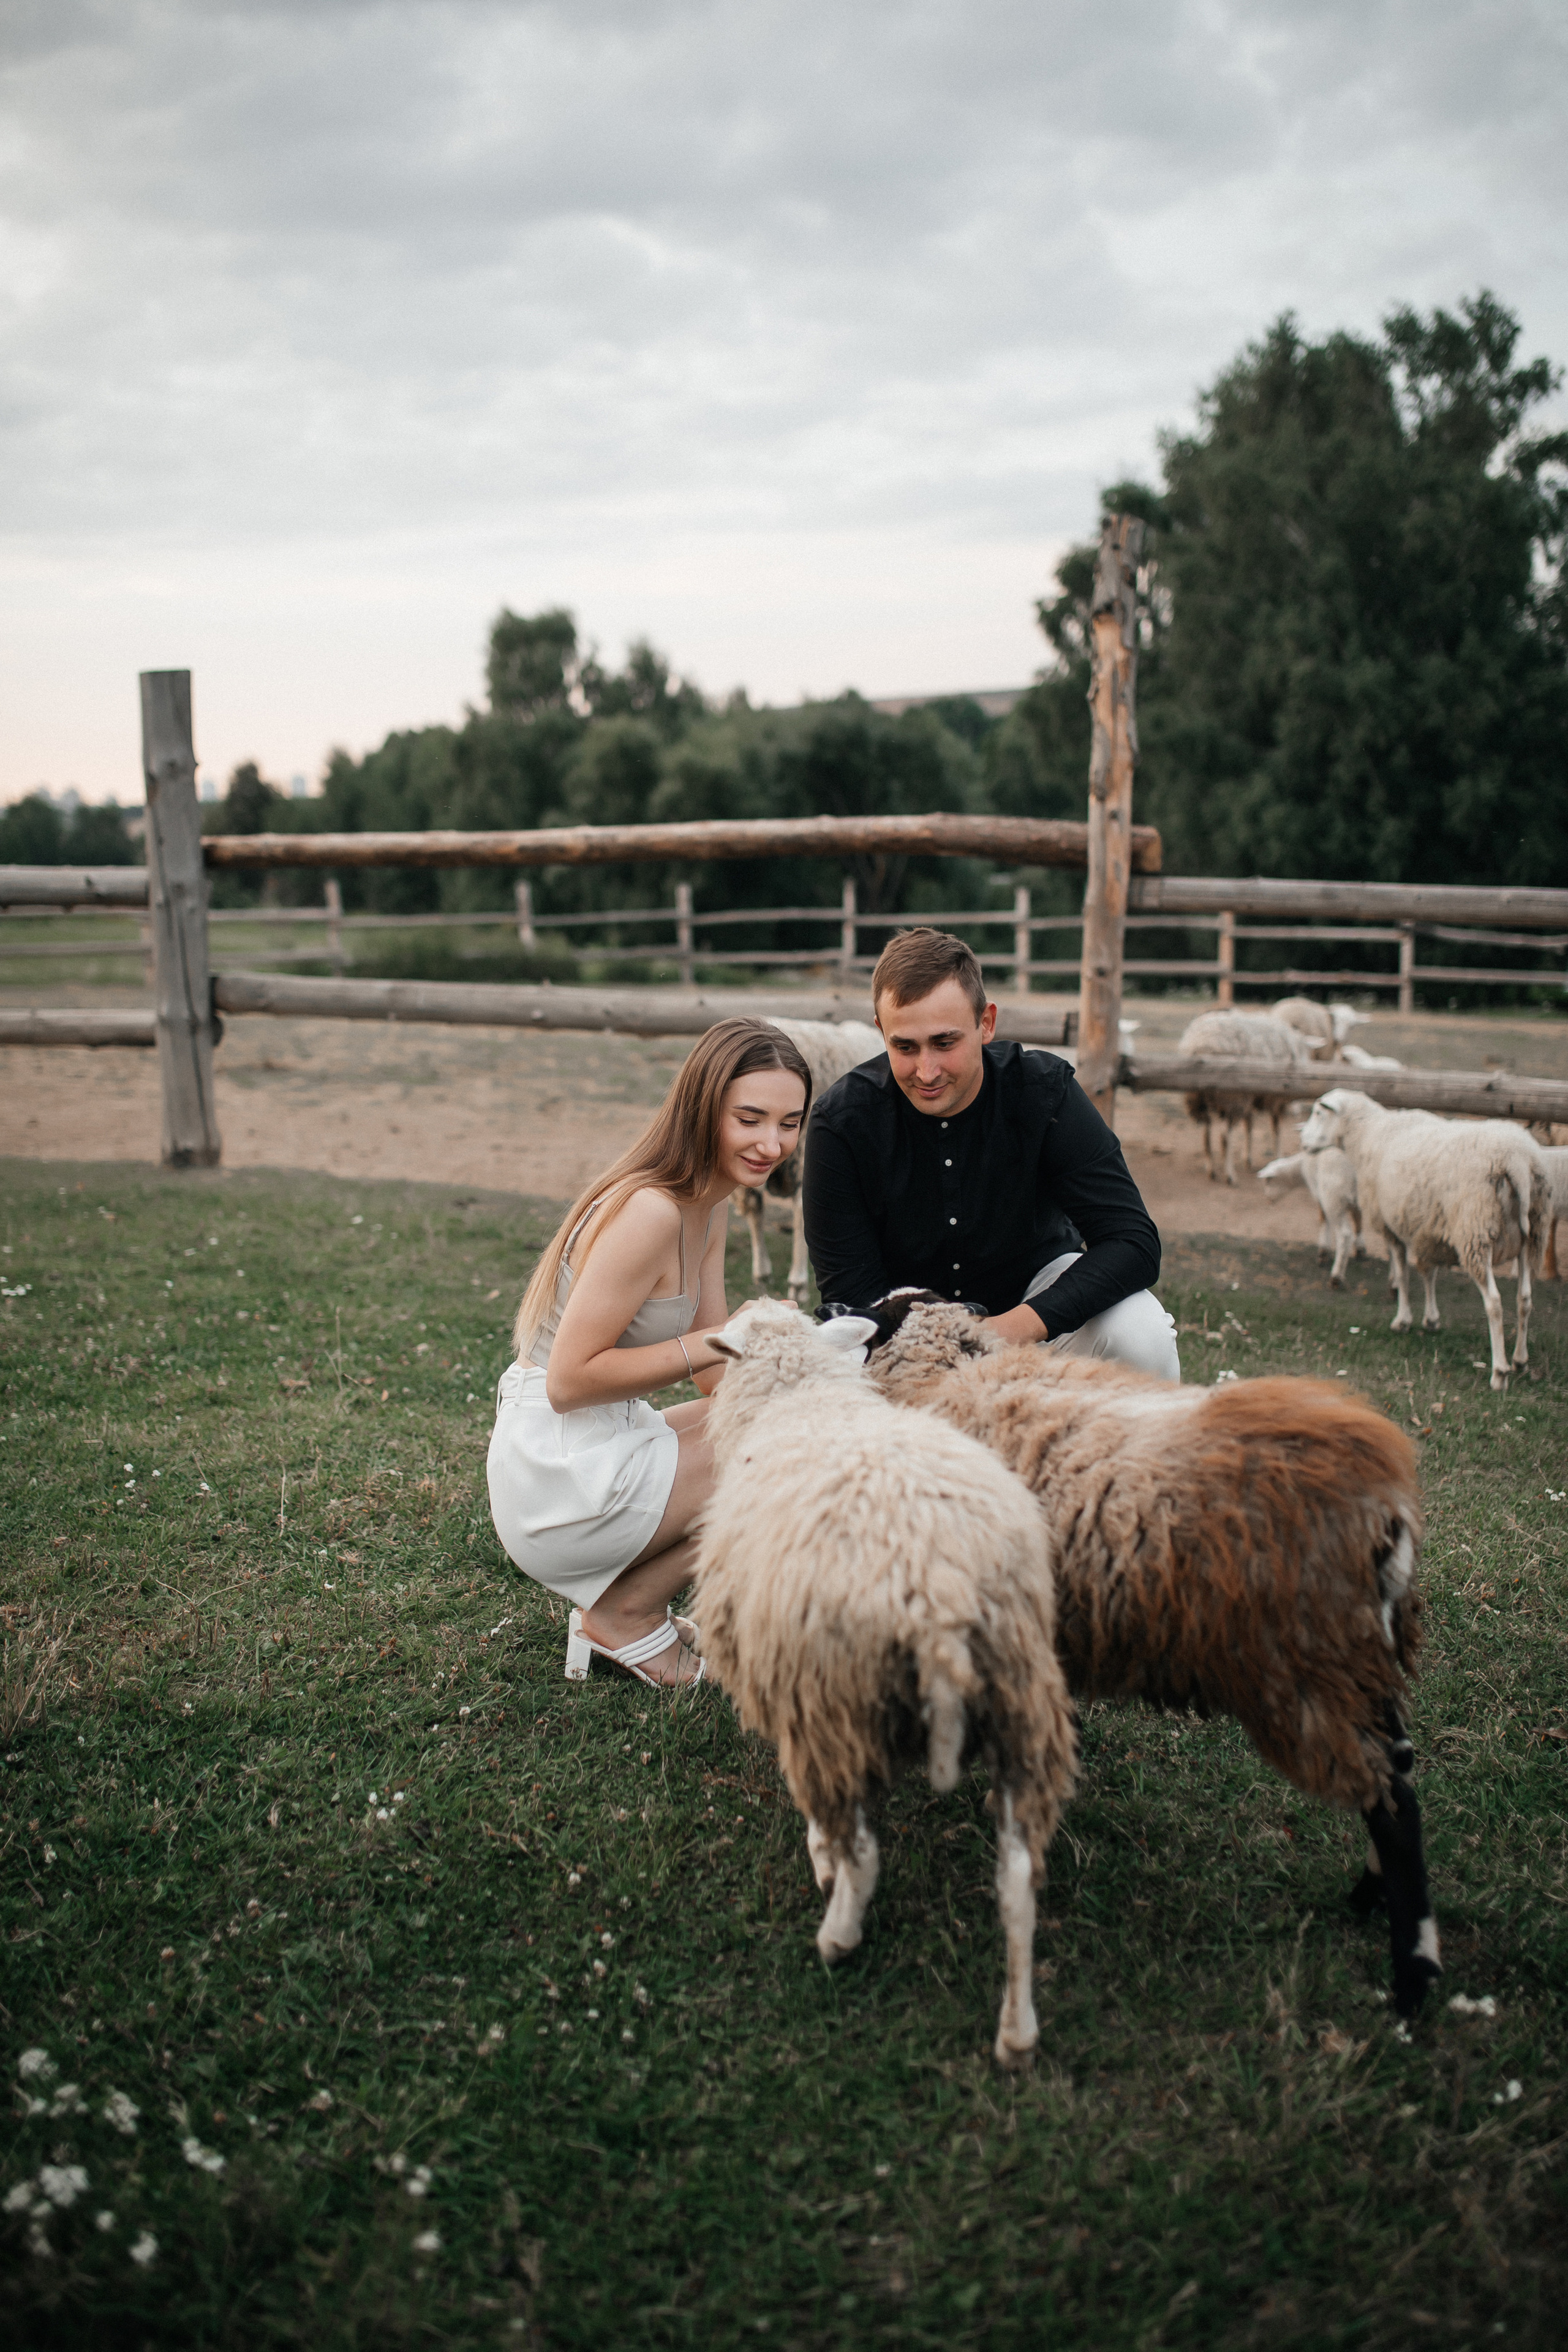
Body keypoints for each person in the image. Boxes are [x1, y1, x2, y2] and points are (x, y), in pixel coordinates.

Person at [488, 1017, 812, 1686]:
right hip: (556, 1470)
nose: (772, 1143)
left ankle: (623, 1609)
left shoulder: (712, 1203)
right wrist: (724, 1339)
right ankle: (626, 1613)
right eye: (749, 1118)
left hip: (601, 1438)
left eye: (789, 1122)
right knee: (780, 1450)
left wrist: (792, 1359)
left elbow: (715, 1382)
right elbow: (569, 1383)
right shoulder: (651, 1211)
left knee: (792, 1433)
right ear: (703, 1108)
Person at [803, 928, 1180, 1378]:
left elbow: (1133, 1242)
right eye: (905, 1046)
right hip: (900, 1337)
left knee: (1142, 1334)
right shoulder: (842, 1121)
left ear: (986, 1023)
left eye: (945, 1043)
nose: (927, 1071)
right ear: (881, 1030)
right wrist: (932, 1348)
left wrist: (1009, 1329)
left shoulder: (1043, 1091)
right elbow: (851, 1290)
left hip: (1037, 1310)